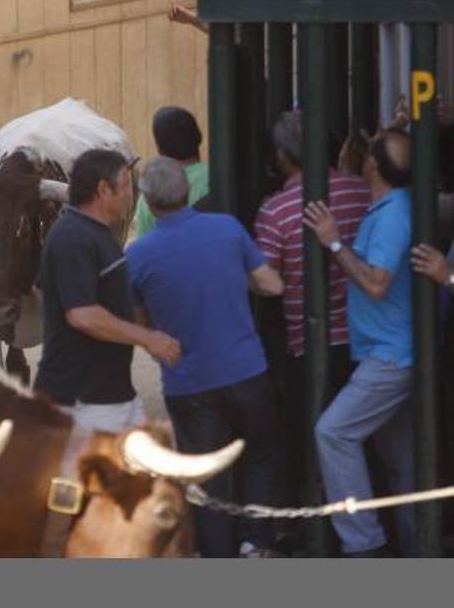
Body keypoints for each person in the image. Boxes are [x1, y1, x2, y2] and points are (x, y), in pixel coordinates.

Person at [127, 158, 285, 557]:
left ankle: (217, 558)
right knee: (262, 456)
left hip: (189, 381)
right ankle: (257, 543)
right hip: (248, 370)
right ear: (188, 191)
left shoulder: (139, 255)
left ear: (146, 200)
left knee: (207, 475)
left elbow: (140, 323)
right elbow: (271, 284)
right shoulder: (227, 229)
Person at [303, 128, 417, 557]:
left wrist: (332, 239)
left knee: (332, 432)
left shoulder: (392, 215)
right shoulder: (389, 205)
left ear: (372, 166)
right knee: (400, 462)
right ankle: (415, 551)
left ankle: (364, 544)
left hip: (389, 358)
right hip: (387, 352)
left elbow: (375, 283)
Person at [254, 110, 370, 513]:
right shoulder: (364, 191)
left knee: (321, 444)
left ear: (283, 155)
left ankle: (331, 529)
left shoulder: (276, 210)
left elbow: (268, 280)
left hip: (313, 345)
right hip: (371, 341)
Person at [34, 149, 182, 432]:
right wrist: (147, 338)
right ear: (103, 190)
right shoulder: (72, 237)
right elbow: (82, 315)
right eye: (126, 185)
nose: (131, 193)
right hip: (82, 403)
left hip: (111, 397)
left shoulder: (97, 234)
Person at [132, 106, 210, 238]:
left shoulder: (149, 195)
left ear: (159, 148)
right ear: (200, 137)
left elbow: (143, 243)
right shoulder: (218, 178)